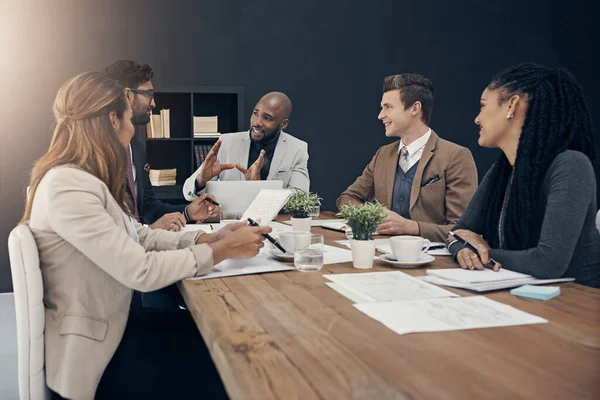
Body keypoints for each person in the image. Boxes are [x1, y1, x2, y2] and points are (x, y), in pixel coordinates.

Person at [21, 72, 271, 399]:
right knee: (232, 363)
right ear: (113, 118)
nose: (134, 125)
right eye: (128, 114)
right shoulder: (68, 186)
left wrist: (207, 239)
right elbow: (140, 271)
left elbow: (139, 235)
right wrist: (222, 251)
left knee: (224, 342)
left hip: (115, 328)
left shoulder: (83, 178)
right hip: (99, 359)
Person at [448, 63, 600, 288]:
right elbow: (458, 232)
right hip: (522, 297)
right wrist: (463, 247)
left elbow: (548, 263)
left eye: (483, 106)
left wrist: (483, 251)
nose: (477, 119)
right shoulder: (503, 172)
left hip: (575, 305)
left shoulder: (571, 166)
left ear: (512, 104)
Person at [336, 74, 478, 242]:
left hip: (433, 259)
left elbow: (463, 230)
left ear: (415, 108)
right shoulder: (383, 154)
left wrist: (411, 227)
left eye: (388, 107)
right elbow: (346, 199)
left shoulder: (456, 156)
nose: (380, 115)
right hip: (382, 253)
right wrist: (373, 215)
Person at [105, 60, 216, 231]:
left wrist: (188, 213)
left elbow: (148, 207)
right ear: (127, 95)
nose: (153, 103)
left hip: (140, 243)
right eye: (149, 94)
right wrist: (150, 232)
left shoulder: (136, 148)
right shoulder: (97, 151)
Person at [183, 92, 310, 200]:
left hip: (275, 223)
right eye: (256, 113)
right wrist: (201, 180)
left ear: (283, 124)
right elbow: (188, 193)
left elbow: (300, 197)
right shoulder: (226, 142)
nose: (257, 122)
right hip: (229, 222)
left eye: (267, 118)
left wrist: (257, 188)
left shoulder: (297, 149)